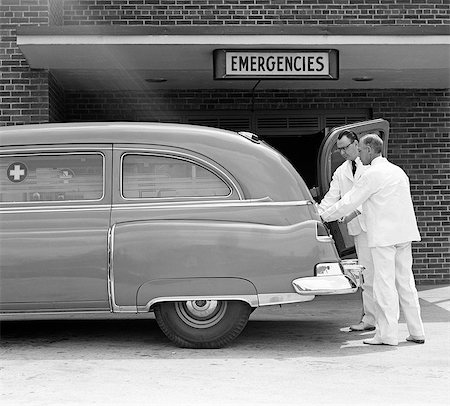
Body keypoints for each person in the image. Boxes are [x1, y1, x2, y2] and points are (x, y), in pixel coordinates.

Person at [321, 133, 425, 346]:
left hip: (383, 237)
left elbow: (349, 202)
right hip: (403, 235)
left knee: (383, 284)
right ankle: (417, 331)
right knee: (406, 283)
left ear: (369, 149)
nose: (358, 154)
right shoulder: (398, 171)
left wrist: (322, 217)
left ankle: (387, 335)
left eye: (360, 150)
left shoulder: (372, 174)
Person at [318, 130, 376, 332]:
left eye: (345, 147)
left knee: (383, 277)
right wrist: (316, 215)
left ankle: (381, 321)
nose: (342, 152)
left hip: (376, 227)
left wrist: (329, 215)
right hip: (358, 230)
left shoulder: (371, 167)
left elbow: (362, 199)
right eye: (339, 149)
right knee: (367, 275)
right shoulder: (341, 171)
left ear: (356, 144)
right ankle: (370, 319)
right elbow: (331, 198)